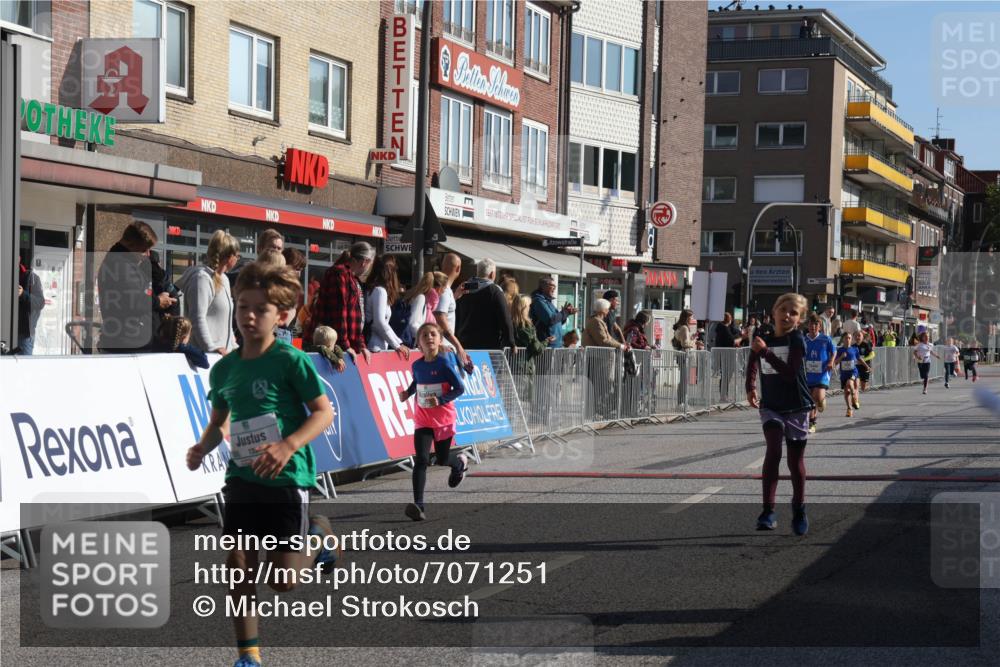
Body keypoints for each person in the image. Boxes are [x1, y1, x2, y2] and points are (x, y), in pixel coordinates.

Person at [185, 261, 336, 667]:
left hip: (287, 478)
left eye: (260, 309)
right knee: (238, 564)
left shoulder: (291, 361)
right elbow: (219, 423)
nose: (248, 316)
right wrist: (202, 446)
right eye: (242, 307)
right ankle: (248, 655)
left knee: (283, 581)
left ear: (282, 316)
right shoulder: (225, 370)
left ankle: (319, 534)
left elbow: (324, 413)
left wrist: (288, 445)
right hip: (243, 479)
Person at [745, 293, 815, 536]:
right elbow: (752, 361)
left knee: (794, 462)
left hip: (796, 406)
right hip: (771, 405)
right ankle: (767, 511)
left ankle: (799, 509)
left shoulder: (797, 340)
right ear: (774, 311)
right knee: (773, 450)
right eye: (783, 309)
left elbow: (790, 373)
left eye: (794, 313)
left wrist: (766, 353)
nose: (787, 315)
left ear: (800, 319)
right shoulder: (762, 337)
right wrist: (750, 386)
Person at [397, 322, 469, 521]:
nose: (429, 337)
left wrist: (440, 399)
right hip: (423, 418)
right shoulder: (417, 365)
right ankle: (418, 505)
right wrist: (407, 393)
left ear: (439, 340)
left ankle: (459, 463)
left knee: (442, 459)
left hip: (444, 418)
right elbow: (417, 381)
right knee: (421, 459)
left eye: (433, 334)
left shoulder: (444, 364)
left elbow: (459, 388)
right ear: (418, 343)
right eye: (424, 335)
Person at [98, 221, 176, 353]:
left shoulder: (127, 262)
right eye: (144, 250)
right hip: (128, 343)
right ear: (130, 245)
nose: (147, 254)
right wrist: (158, 301)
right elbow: (133, 299)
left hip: (134, 340)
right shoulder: (118, 265)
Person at [307, 241, 374, 361]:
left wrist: (361, 345)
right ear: (365, 262)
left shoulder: (353, 279)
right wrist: (345, 345)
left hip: (338, 346)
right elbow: (339, 312)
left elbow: (356, 317)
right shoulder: (339, 274)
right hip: (328, 345)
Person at [177, 230, 239, 357]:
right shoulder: (202, 279)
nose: (238, 259)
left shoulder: (224, 279)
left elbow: (225, 323)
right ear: (229, 257)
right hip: (203, 358)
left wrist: (234, 347)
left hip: (221, 356)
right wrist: (211, 348)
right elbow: (197, 318)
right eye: (237, 256)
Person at [455, 258, 516, 351]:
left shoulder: (464, 288)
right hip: (487, 345)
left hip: (464, 343)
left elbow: (456, 314)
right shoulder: (494, 290)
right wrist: (510, 342)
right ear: (492, 274)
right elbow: (505, 318)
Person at [583, 298, 628, 419]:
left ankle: (597, 411)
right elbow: (603, 340)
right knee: (599, 385)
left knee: (602, 385)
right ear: (603, 310)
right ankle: (593, 412)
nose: (608, 311)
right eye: (607, 309)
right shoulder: (596, 322)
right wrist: (620, 346)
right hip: (597, 358)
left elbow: (609, 338)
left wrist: (621, 345)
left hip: (600, 357)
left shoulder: (599, 321)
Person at [364, 255, 411, 359]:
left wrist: (398, 343)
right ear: (391, 271)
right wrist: (397, 345)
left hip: (374, 344)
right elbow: (379, 322)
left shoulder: (372, 289)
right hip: (375, 347)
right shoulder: (380, 291)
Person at [512, 295, 551, 415]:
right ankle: (519, 424)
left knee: (515, 395)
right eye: (529, 306)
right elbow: (536, 348)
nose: (530, 308)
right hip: (523, 365)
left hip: (516, 363)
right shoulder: (524, 325)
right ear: (524, 307)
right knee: (521, 395)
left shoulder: (512, 322)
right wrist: (546, 342)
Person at [434, 252, 471, 370]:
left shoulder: (446, 290)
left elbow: (443, 310)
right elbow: (440, 317)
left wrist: (455, 296)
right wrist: (458, 345)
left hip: (442, 347)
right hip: (443, 349)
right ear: (458, 268)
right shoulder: (445, 291)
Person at [804, 314, 835, 434]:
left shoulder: (825, 339)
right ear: (808, 326)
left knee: (816, 396)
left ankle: (820, 401)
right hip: (808, 374)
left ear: (820, 327)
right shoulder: (803, 339)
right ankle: (812, 422)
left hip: (822, 373)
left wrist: (831, 362)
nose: (813, 326)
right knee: (811, 399)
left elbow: (834, 352)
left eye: (816, 324)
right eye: (811, 324)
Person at [529, 276, 576, 349]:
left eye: (555, 286)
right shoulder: (539, 301)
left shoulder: (547, 301)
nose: (555, 288)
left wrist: (566, 313)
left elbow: (557, 322)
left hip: (556, 345)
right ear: (543, 287)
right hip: (547, 346)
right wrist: (565, 312)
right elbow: (551, 319)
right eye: (552, 286)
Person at [15, 253, 44, 355]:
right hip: (6, 332)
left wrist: (23, 294)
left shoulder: (31, 277)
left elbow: (40, 303)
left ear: (19, 259)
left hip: (24, 336)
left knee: (23, 368)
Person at [672, 309, 698, 408]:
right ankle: (681, 402)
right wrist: (694, 341)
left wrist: (692, 338)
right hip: (684, 355)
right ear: (687, 318)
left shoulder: (680, 327)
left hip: (681, 355)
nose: (692, 318)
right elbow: (685, 344)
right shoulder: (684, 328)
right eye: (691, 316)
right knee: (684, 379)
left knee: (684, 379)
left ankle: (682, 402)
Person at [834, 333, 863, 417]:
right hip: (844, 374)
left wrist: (867, 366)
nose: (848, 340)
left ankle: (854, 395)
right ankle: (849, 408)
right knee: (846, 392)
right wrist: (841, 357)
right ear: (843, 339)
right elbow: (835, 362)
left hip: (853, 372)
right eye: (846, 338)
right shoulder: (840, 350)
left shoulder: (854, 349)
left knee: (850, 383)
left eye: (849, 338)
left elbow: (859, 359)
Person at [856, 330, 875, 395]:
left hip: (865, 366)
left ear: (862, 337)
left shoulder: (866, 344)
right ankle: (855, 395)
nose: (857, 337)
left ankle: (864, 389)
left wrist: (863, 359)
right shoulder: (853, 346)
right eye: (856, 336)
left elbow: (872, 354)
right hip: (856, 367)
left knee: (863, 387)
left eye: (859, 336)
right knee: (856, 384)